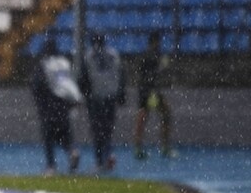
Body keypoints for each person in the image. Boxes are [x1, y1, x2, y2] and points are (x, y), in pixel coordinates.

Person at [30, 38, 81, 176]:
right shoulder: (64, 63)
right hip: (65, 103)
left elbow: (37, 84)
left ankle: (51, 166)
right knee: (64, 134)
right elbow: (70, 82)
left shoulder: (45, 64)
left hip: (50, 103)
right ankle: (72, 151)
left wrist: (41, 102)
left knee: (48, 135)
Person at [79, 32, 126, 173]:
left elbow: (83, 78)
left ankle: (100, 162)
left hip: (96, 98)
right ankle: (109, 153)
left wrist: (85, 95)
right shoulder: (113, 54)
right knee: (108, 129)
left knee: (97, 131)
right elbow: (121, 74)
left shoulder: (89, 56)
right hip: (110, 97)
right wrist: (121, 94)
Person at [134, 31, 174, 159]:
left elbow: (143, 73)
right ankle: (164, 147)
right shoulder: (154, 56)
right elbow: (153, 74)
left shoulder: (146, 55)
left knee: (143, 118)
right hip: (151, 91)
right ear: (155, 42)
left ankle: (139, 148)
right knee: (164, 115)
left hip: (145, 90)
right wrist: (163, 66)